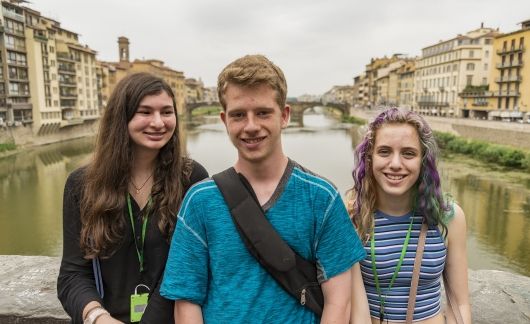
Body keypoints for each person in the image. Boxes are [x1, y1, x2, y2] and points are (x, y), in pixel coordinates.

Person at [160, 54, 367, 323]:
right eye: (238, 115)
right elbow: (187, 301)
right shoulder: (200, 201)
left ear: (284, 116)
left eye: (262, 113)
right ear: (224, 121)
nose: (251, 126)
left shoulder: (321, 197)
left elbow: (339, 303)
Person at [57, 72, 208, 324]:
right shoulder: (81, 184)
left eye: (167, 112)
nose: (158, 122)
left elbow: (189, 270)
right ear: (121, 117)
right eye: (145, 112)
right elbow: (72, 274)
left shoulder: (191, 179)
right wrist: (97, 317)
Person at [348, 107, 471, 323]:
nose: (395, 164)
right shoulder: (352, 216)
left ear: (423, 160)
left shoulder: (449, 217)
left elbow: (459, 302)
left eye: (408, 153)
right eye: (384, 151)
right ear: (369, 157)